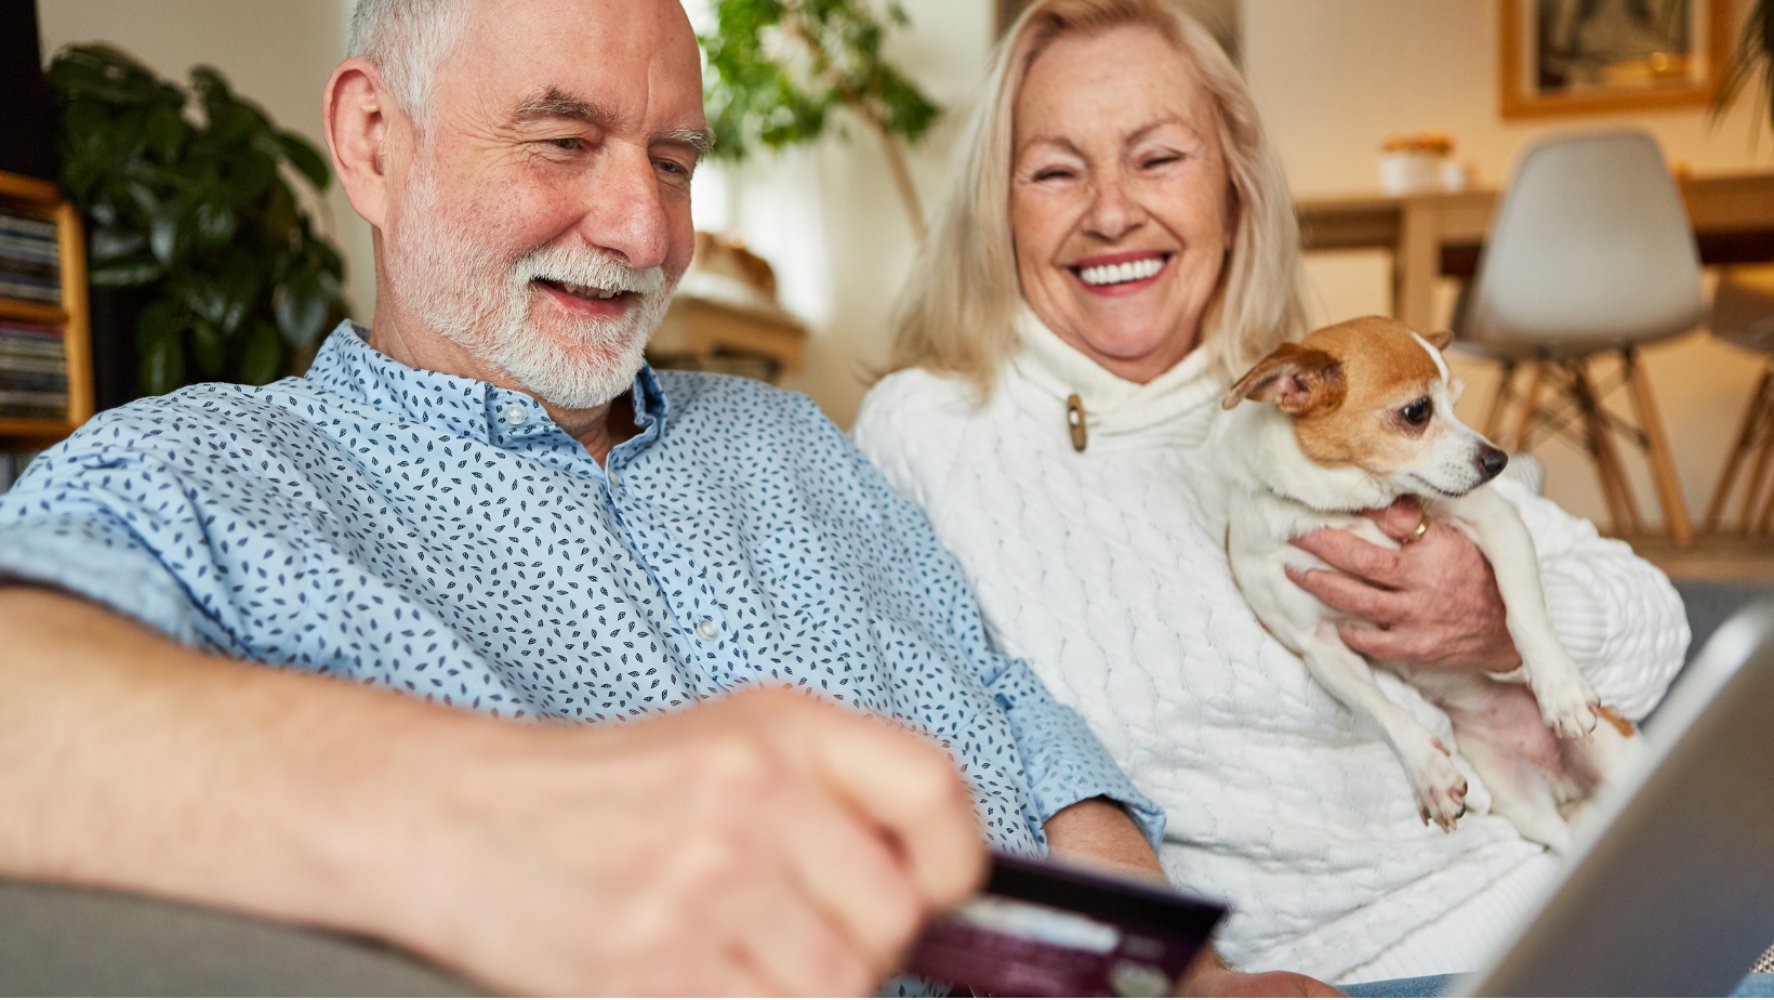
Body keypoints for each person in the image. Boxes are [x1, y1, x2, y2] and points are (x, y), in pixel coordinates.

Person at [0, 0, 1336, 995]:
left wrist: (1183, 983)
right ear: (370, 142)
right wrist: (515, 818)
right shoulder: (212, 477)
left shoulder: (791, 439)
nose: (646, 234)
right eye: (563, 139)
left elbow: (1008, 709)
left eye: (677, 162)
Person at [852, 0, 1690, 986]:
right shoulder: (926, 434)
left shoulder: (1319, 396)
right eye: (1054, 169)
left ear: (1234, 187)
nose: (1111, 210)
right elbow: (933, 782)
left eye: (1158, 158)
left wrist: (1493, 621)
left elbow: (1657, 635)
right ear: (997, 206)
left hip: (1568, 889)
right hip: (1341, 973)